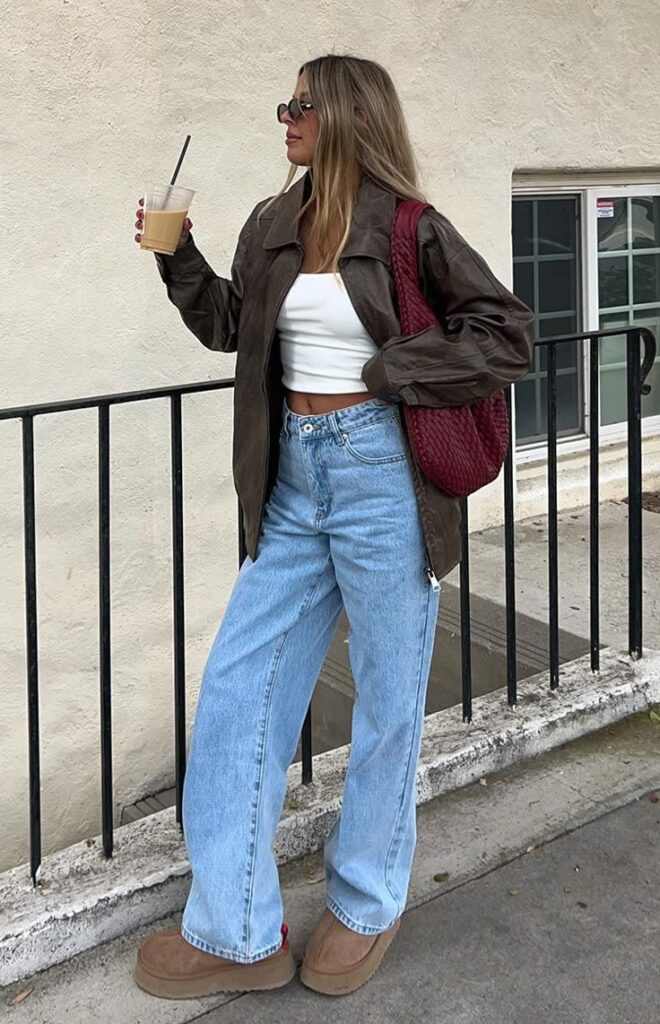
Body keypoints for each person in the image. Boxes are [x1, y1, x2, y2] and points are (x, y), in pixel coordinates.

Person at [131, 53, 534, 1000]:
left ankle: (364, 903)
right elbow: (235, 329)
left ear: (347, 114)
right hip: (290, 481)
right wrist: (174, 257)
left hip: (380, 474)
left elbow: (504, 331)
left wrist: (394, 373)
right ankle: (236, 930)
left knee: (390, 704)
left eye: (299, 104)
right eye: (286, 104)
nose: (285, 117)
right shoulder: (275, 223)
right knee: (238, 691)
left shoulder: (409, 226)